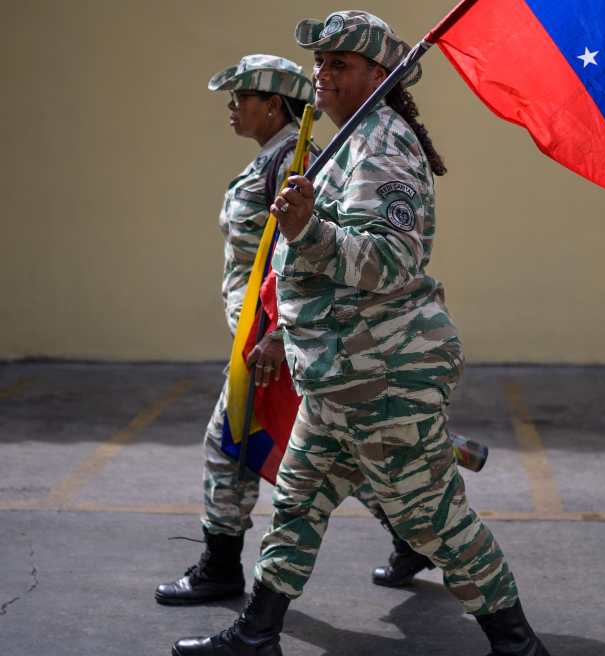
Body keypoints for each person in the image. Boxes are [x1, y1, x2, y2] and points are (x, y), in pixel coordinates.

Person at [172, 11, 550, 656]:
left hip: (385, 372)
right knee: (297, 501)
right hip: (339, 370)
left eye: (338, 63)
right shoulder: (351, 140)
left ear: (378, 73)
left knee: (434, 519)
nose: (321, 74)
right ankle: (257, 634)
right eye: (319, 63)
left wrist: (306, 233)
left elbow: (393, 259)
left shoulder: (384, 145)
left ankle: (517, 645)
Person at [158, 54, 422, 606]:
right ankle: (413, 534)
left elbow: (293, 253)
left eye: (241, 99)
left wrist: (277, 335)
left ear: (273, 105)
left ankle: (221, 566)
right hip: (259, 332)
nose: (232, 110)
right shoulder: (274, 159)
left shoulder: (296, 162)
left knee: (230, 441)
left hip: (273, 338)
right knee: (343, 451)